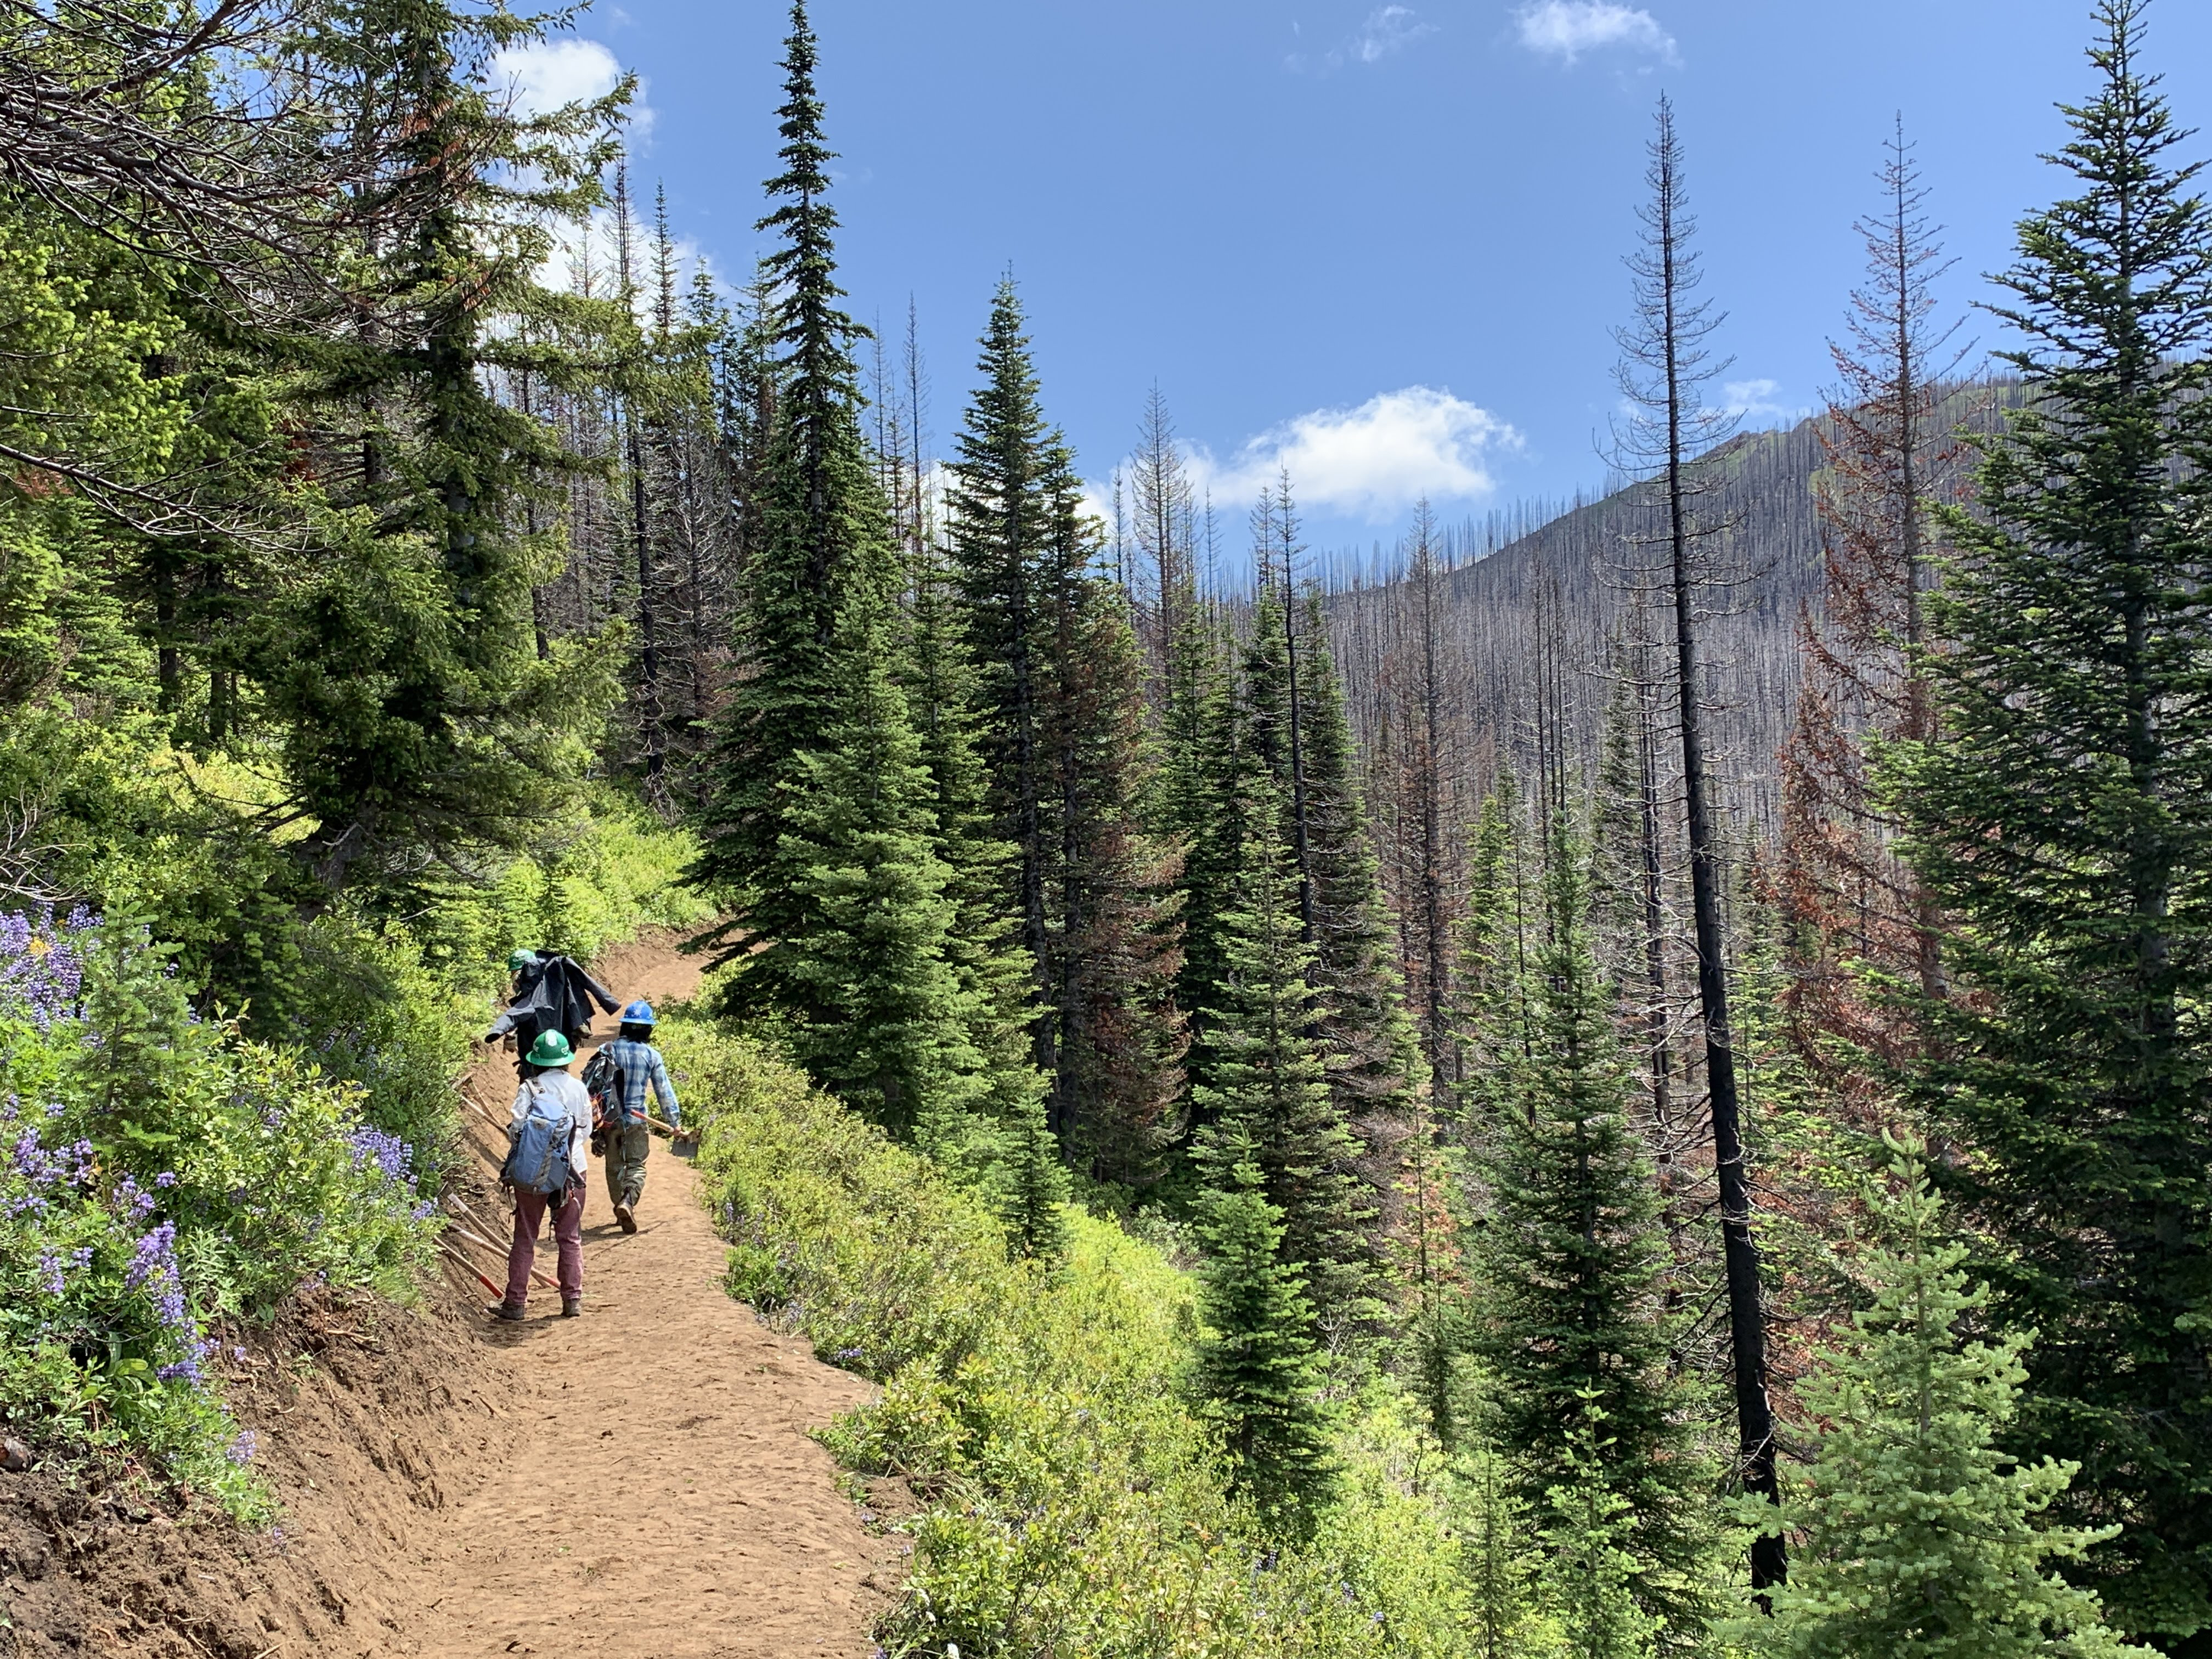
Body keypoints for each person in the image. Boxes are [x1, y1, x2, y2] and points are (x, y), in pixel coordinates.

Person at [492, 1029, 590, 1321]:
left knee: (525, 1237)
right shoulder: (578, 1088)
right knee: (569, 1237)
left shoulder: (529, 1088)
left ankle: (516, 1303)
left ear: (537, 1061)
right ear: (565, 1061)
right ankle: (572, 1300)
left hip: (532, 1174)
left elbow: (517, 1130)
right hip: (573, 1172)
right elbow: (585, 1129)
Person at [585, 1000, 681, 1235]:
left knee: (614, 1167)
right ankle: (628, 1200)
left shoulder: (608, 1050)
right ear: (648, 1029)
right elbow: (664, 1091)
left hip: (609, 1122)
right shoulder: (652, 1055)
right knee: (636, 1165)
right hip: (638, 1122)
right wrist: (674, 1122)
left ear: (624, 1027)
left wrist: (593, 1130)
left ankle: (620, 1204)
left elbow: (590, 1087)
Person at [485, 950, 619, 1081]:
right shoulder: (557, 977)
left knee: (531, 1096)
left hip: (536, 1060)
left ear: (523, 972)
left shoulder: (532, 995)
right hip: (561, 1054)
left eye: (514, 975)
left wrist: (497, 1031)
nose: (513, 980)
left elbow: (515, 1015)